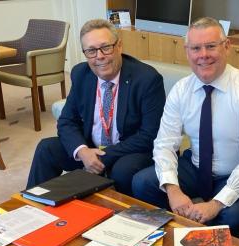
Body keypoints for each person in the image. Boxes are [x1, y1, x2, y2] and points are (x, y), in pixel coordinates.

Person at [132, 17, 239, 232]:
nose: (203, 55)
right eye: (196, 48)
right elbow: (164, 144)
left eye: (210, 46)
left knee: (231, 216)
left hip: (235, 173)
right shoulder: (181, 90)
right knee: (143, 182)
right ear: (187, 51)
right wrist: (173, 189)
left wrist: (216, 204)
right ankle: (171, 240)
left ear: (227, 47)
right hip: (196, 168)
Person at [26, 19, 166, 195]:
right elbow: (67, 121)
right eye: (91, 51)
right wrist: (83, 152)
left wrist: (102, 156)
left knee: (122, 170)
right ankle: (33, 206)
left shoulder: (147, 79)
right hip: (90, 147)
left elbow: (149, 134)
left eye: (106, 47)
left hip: (128, 150)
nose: (99, 56)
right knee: (46, 148)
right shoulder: (81, 74)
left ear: (119, 46)